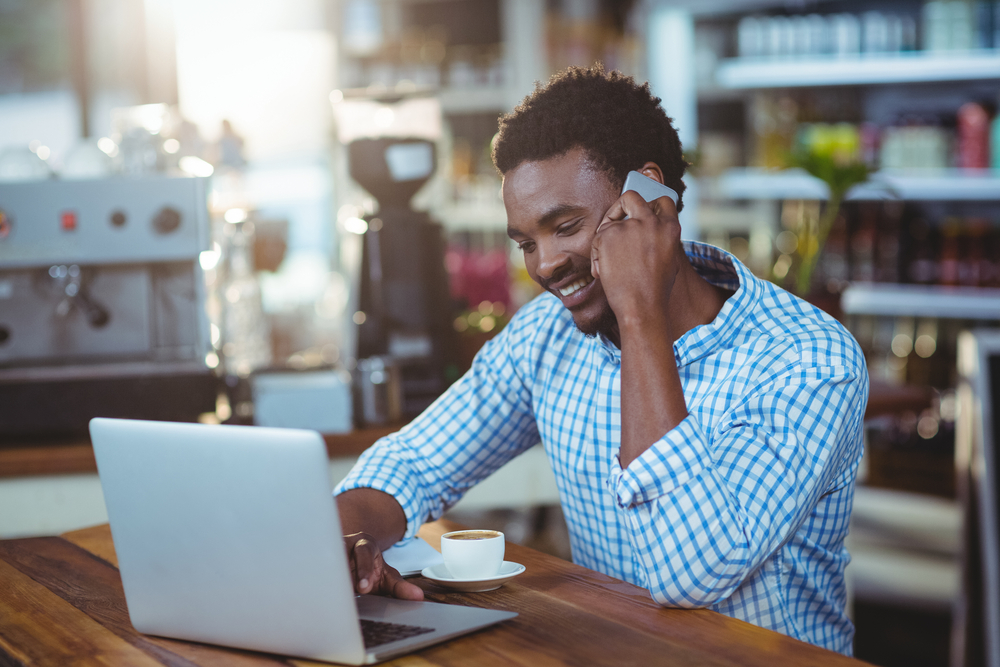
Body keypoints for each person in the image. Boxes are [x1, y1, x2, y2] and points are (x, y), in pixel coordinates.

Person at [334, 65, 868, 655]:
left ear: (650, 199)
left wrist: (640, 315)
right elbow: (416, 462)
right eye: (527, 243)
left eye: (565, 227)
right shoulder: (546, 334)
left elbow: (690, 574)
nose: (544, 265)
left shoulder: (807, 358)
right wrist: (342, 543)